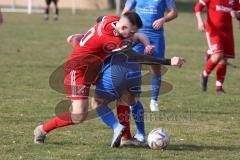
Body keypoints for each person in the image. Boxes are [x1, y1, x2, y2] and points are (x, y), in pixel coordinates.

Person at [33, 12, 146, 147]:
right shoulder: (114, 41)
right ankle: (42, 130)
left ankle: (125, 137)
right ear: (123, 28)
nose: (132, 35)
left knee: (123, 93)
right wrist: (165, 60)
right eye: (131, 32)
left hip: (95, 68)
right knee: (79, 115)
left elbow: (100, 18)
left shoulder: (111, 20)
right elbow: (132, 52)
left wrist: (82, 39)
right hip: (78, 70)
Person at [122, 0, 178, 112]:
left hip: (156, 35)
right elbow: (125, 12)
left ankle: (154, 101)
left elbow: (174, 12)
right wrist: (127, 28)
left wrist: (164, 19)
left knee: (156, 67)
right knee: (133, 66)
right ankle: (132, 99)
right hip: (137, 34)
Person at [195, 0, 240, 94]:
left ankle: (219, 87)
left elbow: (238, 13)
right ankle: (204, 75)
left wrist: (236, 14)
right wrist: (200, 21)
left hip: (227, 31)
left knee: (224, 59)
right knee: (218, 55)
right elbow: (198, 7)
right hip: (213, 30)